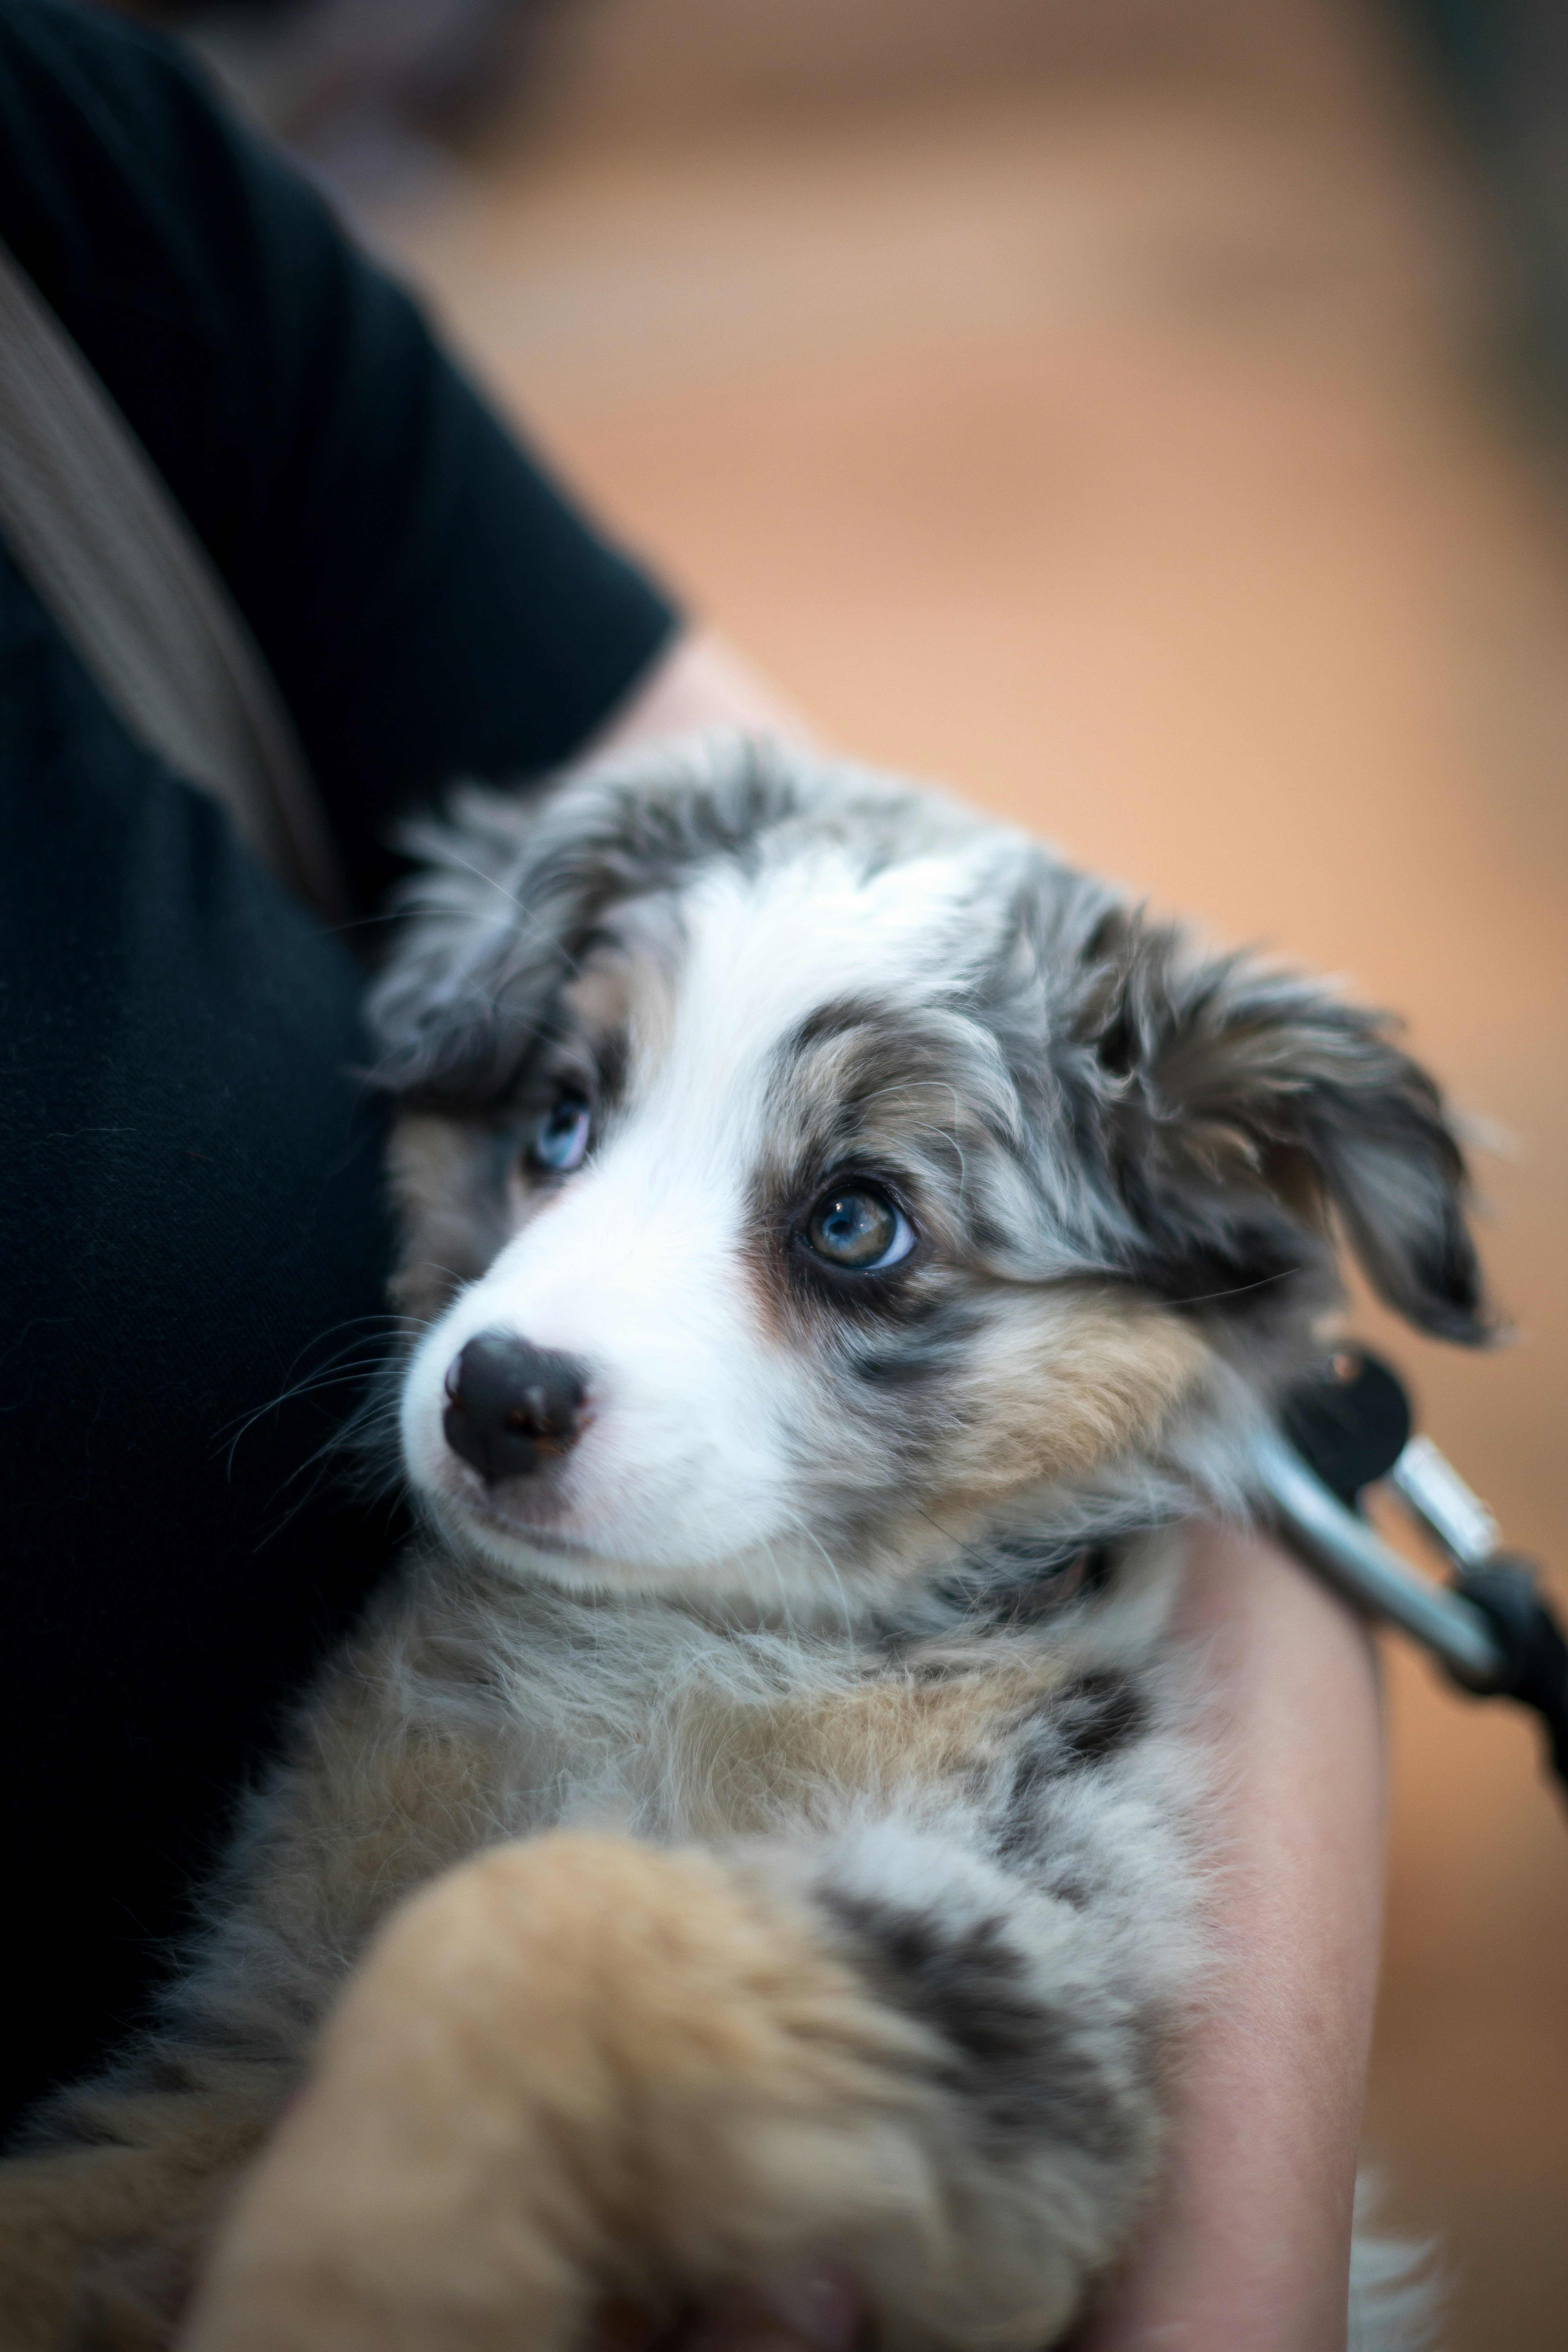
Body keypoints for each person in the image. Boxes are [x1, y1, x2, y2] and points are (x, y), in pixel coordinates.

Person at [0, 2, 1385, 2342]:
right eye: (561, 1120)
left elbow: (1275, 1367)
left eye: (852, 1231)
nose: (537, 1319)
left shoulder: (80, 197)